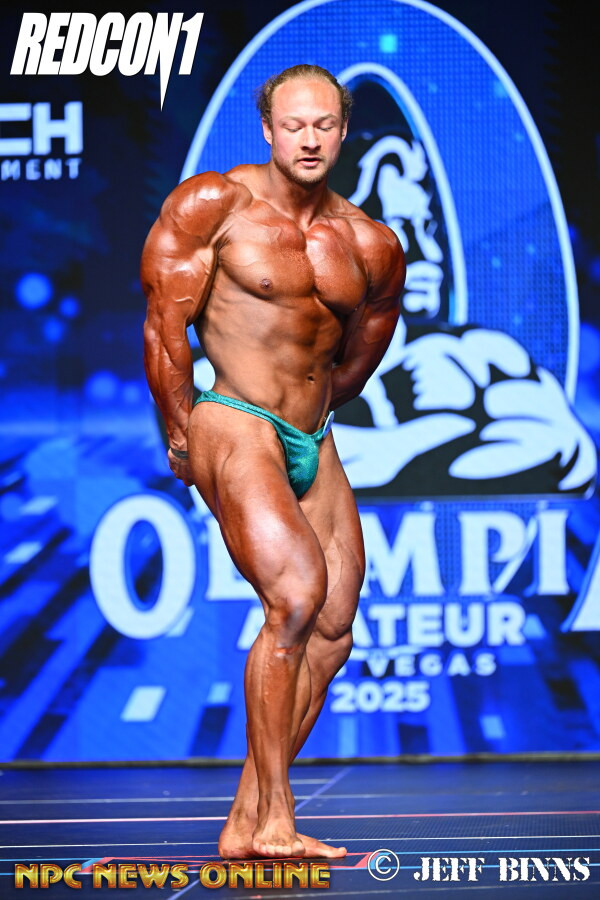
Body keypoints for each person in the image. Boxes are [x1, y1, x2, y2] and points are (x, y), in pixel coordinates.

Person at [141, 64, 405, 861]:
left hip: (311, 432)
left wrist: (316, 410)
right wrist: (183, 436)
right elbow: (163, 328)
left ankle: (247, 820)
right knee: (294, 597)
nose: (309, 139)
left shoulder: (371, 243)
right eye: (294, 125)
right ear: (267, 129)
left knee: (333, 630)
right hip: (235, 417)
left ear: (343, 131)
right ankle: (279, 822)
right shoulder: (214, 205)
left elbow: (361, 353)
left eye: (324, 125)